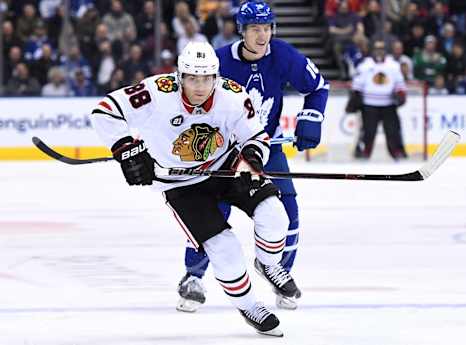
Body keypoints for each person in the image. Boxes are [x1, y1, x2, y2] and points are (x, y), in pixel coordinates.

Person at [90, 41, 299, 337]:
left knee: (275, 215)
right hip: (181, 185)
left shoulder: (233, 96)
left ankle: (267, 264)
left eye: (206, 79)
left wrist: (250, 157)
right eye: (192, 78)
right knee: (225, 249)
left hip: (226, 167)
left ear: (216, 77)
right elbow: (105, 110)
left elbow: (256, 136)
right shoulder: (156, 92)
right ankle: (249, 305)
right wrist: (127, 149)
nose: (200, 87)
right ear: (180, 76)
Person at [176, 0, 329, 312]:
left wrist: (311, 118)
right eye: (256, 29)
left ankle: (278, 270)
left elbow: (318, 87)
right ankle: (193, 276)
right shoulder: (218, 62)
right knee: (212, 213)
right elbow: (189, 100)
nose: (263, 35)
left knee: (286, 209)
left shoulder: (283, 54)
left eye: (267, 28)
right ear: (241, 31)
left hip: (266, 148)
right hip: (223, 152)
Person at [346, 40, 408, 159]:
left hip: (388, 104)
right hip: (369, 104)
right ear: (373, 51)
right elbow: (357, 85)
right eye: (377, 49)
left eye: (382, 49)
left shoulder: (393, 66)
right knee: (368, 132)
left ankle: (397, 153)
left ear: (385, 51)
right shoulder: (365, 65)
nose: (379, 52)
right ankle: (363, 153)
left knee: (393, 131)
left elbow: (399, 84)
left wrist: (401, 95)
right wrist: (354, 100)